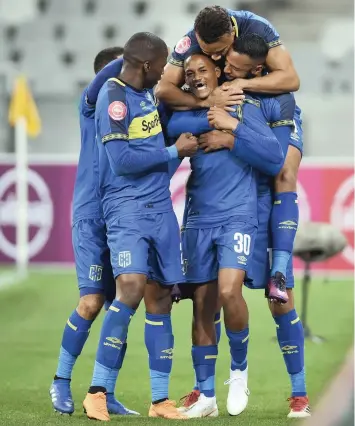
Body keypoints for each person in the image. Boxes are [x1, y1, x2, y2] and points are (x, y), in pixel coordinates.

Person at [176, 34, 309, 419]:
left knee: (278, 298)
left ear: (255, 66)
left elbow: (277, 163)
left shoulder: (276, 98)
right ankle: (205, 392)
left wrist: (230, 133)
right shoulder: (211, 93)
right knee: (206, 299)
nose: (223, 67)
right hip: (213, 211)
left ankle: (298, 393)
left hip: (261, 208)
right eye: (222, 62)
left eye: (229, 64)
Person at [82, 32, 198, 421]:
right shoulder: (112, 99)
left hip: (160, 208)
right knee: (129, 287)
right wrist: (173, 151)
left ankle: (160, 400)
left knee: (161, 296)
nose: (165, 71)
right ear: (146, 66)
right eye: (162, 64)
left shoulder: (146, 92)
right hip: (126, 208)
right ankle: (96, 390)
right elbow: (122, 162)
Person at [156, 6, 303, 303]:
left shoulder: (258, 29)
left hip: (268, 106)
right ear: (198, 38)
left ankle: (280, 269)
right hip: (220, 107)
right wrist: (209, 99)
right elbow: (163, 89)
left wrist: (242, 84)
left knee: (284, 170)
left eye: (221, 52)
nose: (216, 61)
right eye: (209, 53)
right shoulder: (189, 43)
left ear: (232, 35)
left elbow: (291, 79)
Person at [49, 47, 138, 417]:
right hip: (90, 217)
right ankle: (60, 382)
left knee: (123, 305)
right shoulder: (90, 105)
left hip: (122, 216)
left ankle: (106, 392)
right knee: (90, 303)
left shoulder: (130, 108)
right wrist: (137, 56)